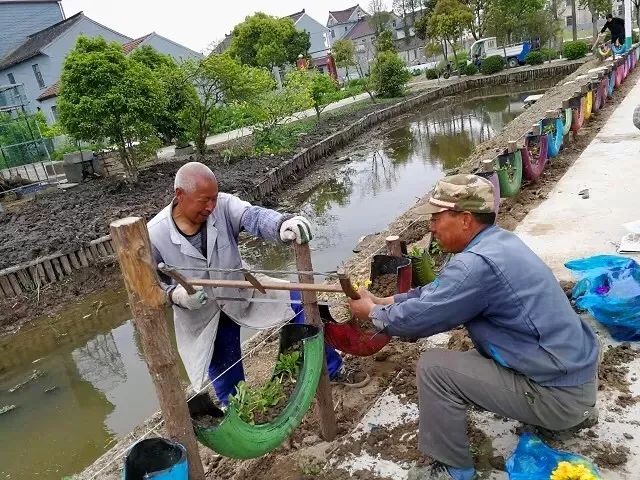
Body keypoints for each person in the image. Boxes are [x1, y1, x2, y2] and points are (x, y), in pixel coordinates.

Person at [348, 174, 599, 480]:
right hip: (575, 379)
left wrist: (372, 312)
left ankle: (454, 469)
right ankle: (572, 414)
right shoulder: (499, 242)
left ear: (465, 220)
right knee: (471, 355)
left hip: (559, 397)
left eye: (437, 218)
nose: (431, 227)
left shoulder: (474, 266)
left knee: (434, 368)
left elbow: (415, 320)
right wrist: (387, 300)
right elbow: (438, 291)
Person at [149, 162, 362, 406]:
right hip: (203, 312)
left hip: (242, 288)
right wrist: (177, 296)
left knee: (299, 302)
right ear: (180, 195)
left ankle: (332, 369)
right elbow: (150, 288)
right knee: (225, 370)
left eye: (214, 199)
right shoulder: (154, 235)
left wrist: (282, 224)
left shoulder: (223, 206)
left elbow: (254, 216)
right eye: (203, 200)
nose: (211, 207)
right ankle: (239, 411)